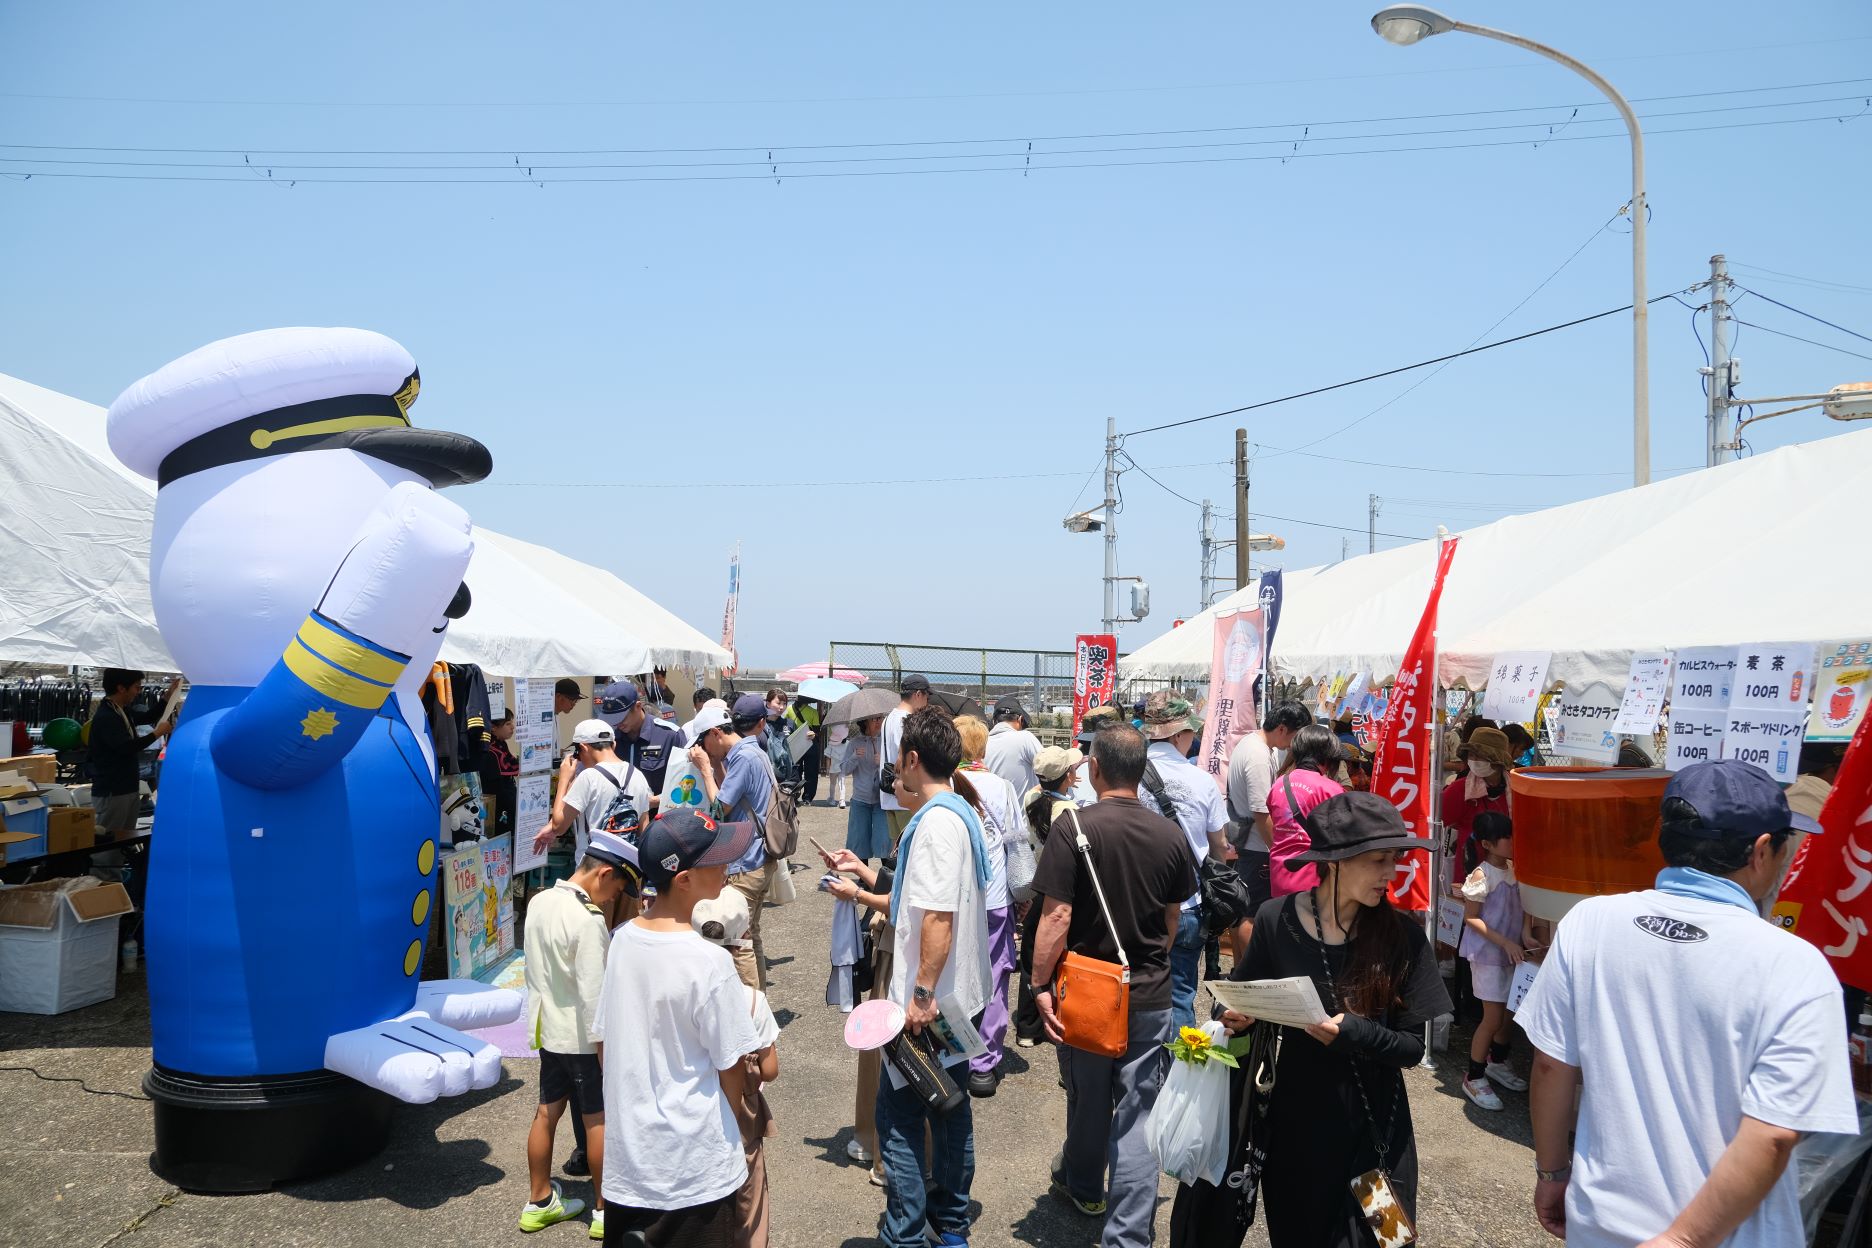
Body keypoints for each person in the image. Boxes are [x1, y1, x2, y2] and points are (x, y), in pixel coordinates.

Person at [1518, 759, 1856, 1248]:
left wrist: (1551, 1170)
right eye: (1785, 844)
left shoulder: (1589, 922)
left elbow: (1552, 1064)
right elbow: (1775, 1133)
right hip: (1728, 1237)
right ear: (1762, 850)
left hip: (1600, 1219)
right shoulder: (1794, 966)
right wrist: (1683, 1239)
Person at [1208, 792, 1452, 1248]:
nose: (1390, 873)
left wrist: (1353, 1032)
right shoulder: (1276, 918)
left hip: (1380, 1133)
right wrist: (1231, 1015)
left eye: (1395, 860)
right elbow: (1240, 991)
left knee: (1388, 1241)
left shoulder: (1403, 936)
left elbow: (1411, 1048)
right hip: (1296, 1128)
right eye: (1378, 860)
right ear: (1335, 861)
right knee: (1299, 1235)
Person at [1031, 723, 1197, 1244]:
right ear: (1141, 769)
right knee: (1139, 1113)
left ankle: (1083, 1182)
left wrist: (1039, 983)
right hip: (1149, 991)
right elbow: (1173, 920)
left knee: (1087, 1093)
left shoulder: (1073, 827)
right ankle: (1127, 1237)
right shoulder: (1170, 834)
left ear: (1095, 769)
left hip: (1087, 992)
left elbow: (1055, 918)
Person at [593, 810, 762, 1246]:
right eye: (717, 859)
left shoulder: (622, 939)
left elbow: (604, 1044)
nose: (728, 866)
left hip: (631, 1160)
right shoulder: (711, 962)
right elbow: (731, 1070)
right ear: (683, 879)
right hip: (697, 1166)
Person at [874, 707, 993, 1248]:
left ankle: (907, 1233)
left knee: (899, 1117)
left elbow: (938, 915)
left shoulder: (938, 824)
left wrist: (919, 994)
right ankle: (950, 1224)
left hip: (929, 1004)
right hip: (954, 998)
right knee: (949, 1106)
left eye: (899, 758)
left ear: (913, 758)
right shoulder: (957, 813)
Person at [518, 830, 640, 1238]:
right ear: (605, 874)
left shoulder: (538, 903)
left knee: (545, 1113)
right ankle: (604, 1210)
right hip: (584, 1041)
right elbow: (595, 999)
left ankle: (538, 1201)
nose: (612, 899)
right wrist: (608, 1056)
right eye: (618, 888)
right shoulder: (588, 921)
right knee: (597, 1122)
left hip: (549, 1030)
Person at [689, 890, 781, 1248]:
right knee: (748, 1201)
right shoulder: (753, 999)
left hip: (695, 1110)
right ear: (743, 939)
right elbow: (770, 1069)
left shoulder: (683, 990)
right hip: (741, 1118)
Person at [1137, 692, 1229, 1032]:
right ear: (1178, 735)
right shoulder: (1202, 781)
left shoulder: (1128, 775)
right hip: (1188, 903)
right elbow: (1219, 845)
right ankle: (1177, 1078)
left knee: (1131, 989)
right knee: (1179, 994)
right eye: (1191, 731)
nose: (1194, 738)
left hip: (1135, 904)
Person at [954, 715, 1032, 1098]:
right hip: (996, 897)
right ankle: (984, 1063)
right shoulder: (1001, 787)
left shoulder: (948, 786)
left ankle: (954, 1051)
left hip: (953, 898)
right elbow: (1017, 843)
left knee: (953, 972)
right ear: (983, 748)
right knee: (996, 974)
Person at [1457, 811, 1528, 1111]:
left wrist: (1526, 936)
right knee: (1493, 1018)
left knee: (1509, 1014)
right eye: (1506, 837)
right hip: (1488, 955)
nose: (1513, 841)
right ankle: (1474, 1075)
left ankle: (1497, 1061)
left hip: (1511, 953)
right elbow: (1471, 918)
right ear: (1487, 843)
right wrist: (1507, 942)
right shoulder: (1481, 875)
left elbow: (1524, 909)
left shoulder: (1515, 869)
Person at [1014, 746, 1082, 1049]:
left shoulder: (1031, 797)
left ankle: (1027, 1028)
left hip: (1036, 883)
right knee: (1061, 954)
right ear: (1068, 776)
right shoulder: (1069, 812)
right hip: (1062, 888)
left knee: (1032, 955)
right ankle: (1060, 1021)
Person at [1227, 701, 1313, 933]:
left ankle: (1241, 968)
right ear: (1283, 729)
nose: (1295, 744)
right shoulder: (1258, 757)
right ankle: (1251, 968)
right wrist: (1279, 851)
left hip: (1250, 844)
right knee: (1251, 915)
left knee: (1244, 910)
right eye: (1296, 736)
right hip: (1257, 847)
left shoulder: (1252, 744)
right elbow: (1262, 813)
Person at [717, 694, 777, 991]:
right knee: (751, 934)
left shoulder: (742, 756)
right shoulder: (760, 753)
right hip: (763, 854)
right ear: (762, 723)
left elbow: (721, 807)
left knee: (738, 939)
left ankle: (752, 1012)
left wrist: (705, 768)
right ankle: (760, 1004)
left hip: (745, 859)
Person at [532, 720, 651, 866]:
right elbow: (644, 825)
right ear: (613, 744)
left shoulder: (588, 777)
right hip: (628, 867)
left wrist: (564, 779)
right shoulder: (638, 775)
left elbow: (559, 826)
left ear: (583, 747)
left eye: (578, 753)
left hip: (592, 869)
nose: (579, 758)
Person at [86, 668, 175, 835]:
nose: (138, 691)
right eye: (136, 687)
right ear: (121, 688)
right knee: (109, 843)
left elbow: (146, 717)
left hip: (127, 787)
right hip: (112, 790)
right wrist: (156, 733)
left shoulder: (120, 710)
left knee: (125, 839)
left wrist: (166, 699)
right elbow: (126, 747)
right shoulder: (107, 716)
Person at [1267, 723, 1345, 897]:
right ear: (1327, 755)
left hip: (1279, 875)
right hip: (1314, 878)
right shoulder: (1331, 789)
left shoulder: (1279, 784)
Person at [596, 680, 686, 805]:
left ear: (638, 707)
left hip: (658, 819)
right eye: (611, 718)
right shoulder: (609, 737)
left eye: (621, 717)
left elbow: (687, 782)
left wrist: (657, 801)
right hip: (616, 819)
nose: (617, 723)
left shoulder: (670, 735)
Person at [1444, 725, 1512, 874]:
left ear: (1496, 760)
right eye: (1470, 755)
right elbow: (1437, 822)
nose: (1473, 760)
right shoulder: (1460, 789)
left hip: (1508, 872)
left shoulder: (1516, 789)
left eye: (1479, 756)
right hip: (1469, 874)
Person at [878, 675, 931, 841]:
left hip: (889, 794)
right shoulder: (906, 721)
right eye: (926, 696)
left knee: (898, 850)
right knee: (911, 850)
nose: (927, 702)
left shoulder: (888, 718)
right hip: (905, 797)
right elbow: (910, 759)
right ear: (917, 694)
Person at [838, 715, 891, 863]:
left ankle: (886, 876)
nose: (878, 722)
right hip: (860, 799)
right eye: (874, 719)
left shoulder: (886, 742)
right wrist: (855, 757)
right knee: (859, 839)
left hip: (882, 799)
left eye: (880, 718)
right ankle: (863, 877)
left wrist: (883, 762)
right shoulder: (855, 743)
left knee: (884, 839)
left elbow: (896, 768)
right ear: (865, 722)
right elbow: (844, 769)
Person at [984, 695, 1041, 800]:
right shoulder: (1025, 738)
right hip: (1022, 815)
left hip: (989, 814)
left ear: (993, 722)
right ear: (1020, 719)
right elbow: (1049, 767)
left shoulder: (982, 743)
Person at [478, 712, 519, 837]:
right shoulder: (490, 752)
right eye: (507, 724)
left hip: (508, 801)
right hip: (498, 809)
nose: (512, 727)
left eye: (512, 723)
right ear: (493, 727)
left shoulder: (502, 746)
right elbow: (496, 789)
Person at [783, 695, 824, 805]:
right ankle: (808, 798)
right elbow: (816, 730)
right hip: (810, 743)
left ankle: (794, 796)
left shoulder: (790, 709)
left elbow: (784, 724)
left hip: (795, 743)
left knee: (796, 770)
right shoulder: (813, 711)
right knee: (811, 772)